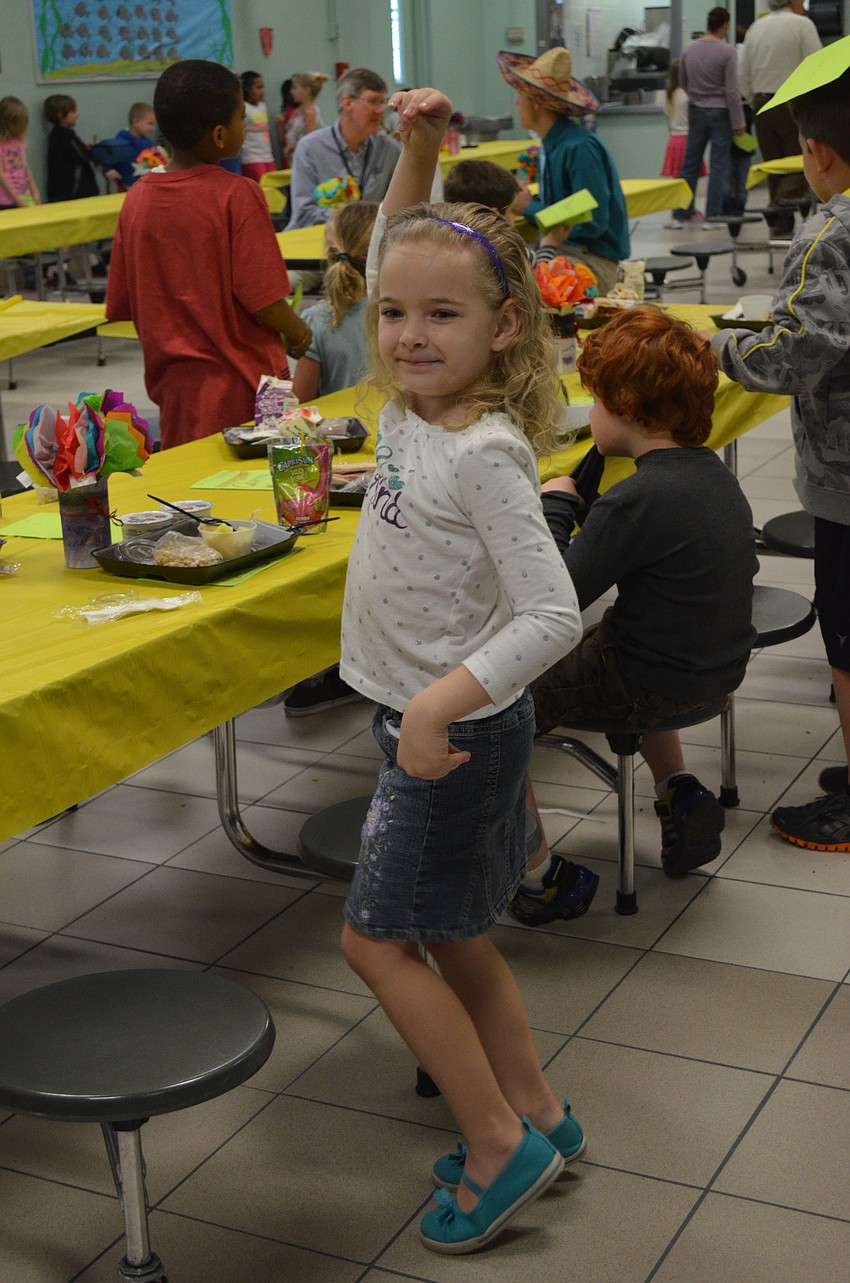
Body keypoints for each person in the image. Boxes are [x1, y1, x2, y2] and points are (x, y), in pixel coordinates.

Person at [340, 86, 586, 1255]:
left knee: (375, 940)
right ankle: (535, 1105)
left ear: (505, 327)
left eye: (441, 315)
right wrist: (420, 147)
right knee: (455, 931)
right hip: (434, 723)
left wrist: (437, 703)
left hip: (450, 733)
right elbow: (393, 248)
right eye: (394, 315)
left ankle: (496, 1143)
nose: (408, 334)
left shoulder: (482, 450)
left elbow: (554, 612)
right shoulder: (412, 408)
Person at [511, 308, 758, 916]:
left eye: (595, 400)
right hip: (715, 669)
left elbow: (556, 599)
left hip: (647, 679)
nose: (592, 413)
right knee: (621, 639)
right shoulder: (713, 475)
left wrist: (556, 509)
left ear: (624, 404)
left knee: (493, 710)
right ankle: (678, 790)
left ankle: (534, 872)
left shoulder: (635, 499)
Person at [711, 40, 850, 851]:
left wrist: (716, 349)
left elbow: (798, 352)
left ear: (818, 152)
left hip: (846, 476)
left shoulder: (830, 232)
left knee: (848, 637)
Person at [106, 60, 311, 449]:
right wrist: (300, 332)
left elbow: (124, 301)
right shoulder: (238, 194)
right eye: (241, 119)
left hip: (175, 389)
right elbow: (264, 301)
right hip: (248, 384)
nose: (245, 127)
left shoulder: (136, 200)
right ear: (219, 135)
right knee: (262, 475)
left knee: (192, 480)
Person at [497, 46, 629, 296]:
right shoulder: (553, 144)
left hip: (592, 261)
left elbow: (592, 220)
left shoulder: (579, 147)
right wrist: (530, 201)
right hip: (565, 249)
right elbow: (567, 206)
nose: (517, 102)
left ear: (537, 103)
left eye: (521, 96)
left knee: (522, 290)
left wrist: (530, 207)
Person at [739, 0, 822, 237]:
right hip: (791, 101)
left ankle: (780, 225)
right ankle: (776, 208)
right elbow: (816, 65)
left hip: (761, 102)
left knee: (773, 167)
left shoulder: (756, 27)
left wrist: (754, 98)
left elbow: (742, 72)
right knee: (800, 163)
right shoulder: (802, 25)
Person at [285, 66, 401, 230]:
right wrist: (358, 216)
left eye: (382, 102)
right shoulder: (310, 149)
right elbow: (304, 216)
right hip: (321, 239)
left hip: (371, 239)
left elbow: (400, 207)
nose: (381, 111)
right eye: (373, 102)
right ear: (347, 103)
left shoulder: (388, 149)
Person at [669, 8, 747, 226]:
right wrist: (739, 122)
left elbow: (683, 81)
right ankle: (713, 213)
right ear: (725, 25)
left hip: (696, 111)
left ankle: (682, 211)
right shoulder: (728, 51)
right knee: (718, 164)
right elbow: (732, 91)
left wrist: (696, 97)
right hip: (720, 112)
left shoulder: (689, 48)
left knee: (690, 163)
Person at [44, 94, 99, 201]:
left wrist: (82, 145)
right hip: (73, 193)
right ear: (61, 115)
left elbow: (73, 150)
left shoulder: (55, 134)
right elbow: (82, 156)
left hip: (60, 193)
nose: (77, 114)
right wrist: (96, 150)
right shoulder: (65, 135)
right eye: (73, 112)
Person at [98, 101, 157, 190]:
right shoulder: (121, 142)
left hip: (145, 187)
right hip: (126, 188)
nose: (153, 128)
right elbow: (106, 160)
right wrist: (108, 170)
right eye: (150, 124)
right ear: (136, 122)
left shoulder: (148, 142)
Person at [279, 72, 327, 168]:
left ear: (307, 91)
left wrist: (292, 146)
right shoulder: (299, 111)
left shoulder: (310, 112)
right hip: (297, 157)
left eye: (295, 88)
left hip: (307, 159)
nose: (292, 92)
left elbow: (309, 138)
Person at [0, 96, 41, 208]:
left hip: (23, 195)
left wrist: (34, 190)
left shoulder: (18, 141)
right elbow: (1, 175)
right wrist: (17, 199)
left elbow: (25, 166)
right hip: (5, 200)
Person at [238, 71, 276, 182]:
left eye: (263, 87)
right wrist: (255, 129)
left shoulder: (262, 106)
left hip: (267, 155)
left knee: (272, 186)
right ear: (247, 89)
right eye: (258, 88)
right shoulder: (243, 107)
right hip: (252, 157)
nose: (262, 91)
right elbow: (239, 128)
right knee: (261, 186)